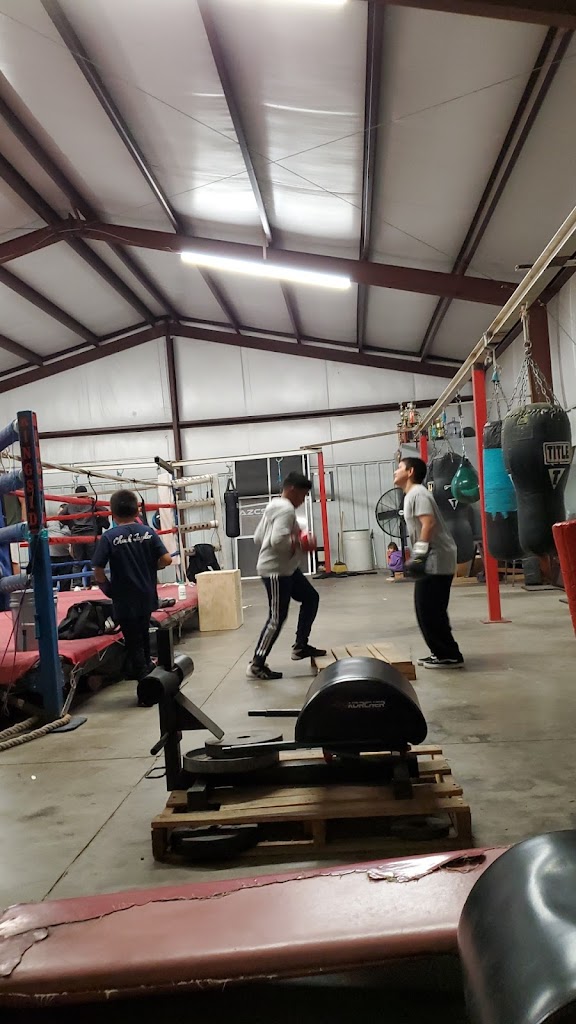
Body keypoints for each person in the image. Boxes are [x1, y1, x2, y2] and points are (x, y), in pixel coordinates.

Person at [247, 471, 326, 681]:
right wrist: (301, 543)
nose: (302, 500)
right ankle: (257, 664)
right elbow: (277, 541)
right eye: (303, 495)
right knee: (276, 618)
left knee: (310, 598)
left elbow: (258, 537)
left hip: (287, 569)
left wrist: (295, 538)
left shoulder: (275, 506)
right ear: (292, 489)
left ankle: (300, 646)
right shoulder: (287, 509)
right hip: (276, 572)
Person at [92, 489, 172, 686]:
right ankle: (149, 671)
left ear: (112, 513)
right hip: (146, 593)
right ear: (137, 511)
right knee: (144, 633)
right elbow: (167, 559)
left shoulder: (109, 537)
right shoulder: (147, 532)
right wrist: (152, 567)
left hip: (123, 596)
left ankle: (146, 682)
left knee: (133, 640)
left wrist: (107, 588)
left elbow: (98, 569)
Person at [394, 457, 464, 670]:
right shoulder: (412, 495)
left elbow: (429, 523)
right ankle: (441, 652)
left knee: (430, 609)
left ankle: (449, 655)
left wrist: (419, 554)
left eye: (399, 468)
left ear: (410, 472)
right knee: (428, 609)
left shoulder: (418, 493)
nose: (395, 471)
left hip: (437, 558)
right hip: (432, 557)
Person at [61, 485, 110, 586]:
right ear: (86, 494)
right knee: (93, 560)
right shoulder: (90, 502)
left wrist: (71, 524)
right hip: (90, 535)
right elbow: (105, 511)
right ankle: (94, 582)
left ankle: (76, 584)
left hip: (76, 535)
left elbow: (60, 517)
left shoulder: (71, 504)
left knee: (77, 561)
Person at [48, 519, 72, 592]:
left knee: (65, 584)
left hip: (65, 556)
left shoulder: (71, 525)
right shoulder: (50, 523)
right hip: (51, 557)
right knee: (51, 584)